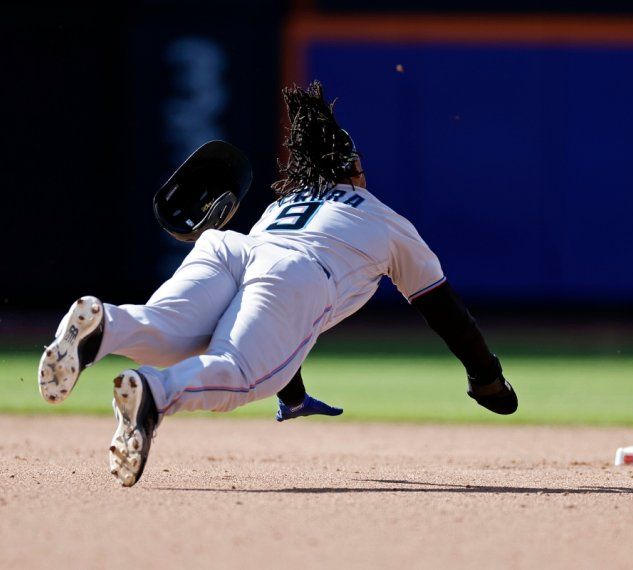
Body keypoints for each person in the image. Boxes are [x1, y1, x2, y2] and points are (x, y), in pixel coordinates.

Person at [38, 81, 517, 488]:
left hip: (230, 247)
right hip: (297, 271)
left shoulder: (280, 206)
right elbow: (446, 313)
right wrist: (488, 380)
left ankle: (107, 325)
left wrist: (293, 396)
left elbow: (264, 312)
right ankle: (155, 393)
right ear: (355, 167)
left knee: (166, 331)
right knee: (237, 374)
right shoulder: (386, 221)